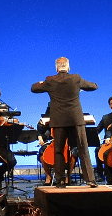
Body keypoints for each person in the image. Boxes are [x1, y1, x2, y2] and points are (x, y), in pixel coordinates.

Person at [31, 57, 98, 187]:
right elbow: (94, 86)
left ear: (57, 68)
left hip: (59, 120)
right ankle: (90, 180)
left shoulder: (50, 80)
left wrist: (41, 83)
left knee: (58, 151)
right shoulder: (76, 78)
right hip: (76, 119)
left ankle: (60, 181)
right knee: (83, 149)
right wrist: (80, 86)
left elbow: (34, 88)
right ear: (68, 67)